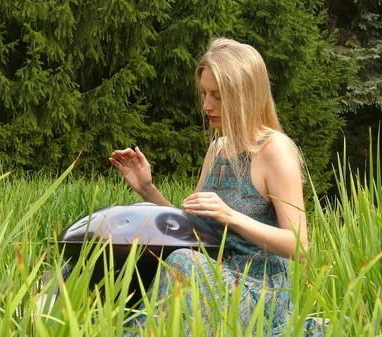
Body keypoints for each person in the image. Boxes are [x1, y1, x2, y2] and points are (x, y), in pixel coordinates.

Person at [109, 37, 311, 336]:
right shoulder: (218, 149)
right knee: (121, 253)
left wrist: (230, 216)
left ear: (245, 95)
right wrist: (147, 189)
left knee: (181, 263)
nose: (207, 105)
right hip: (212, 274)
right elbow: (195, 233)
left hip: (261, 290)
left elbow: (299, 246)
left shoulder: (275, 150)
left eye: (217, 95)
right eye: (204, 93)